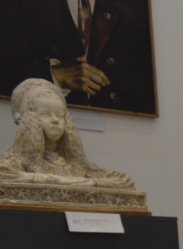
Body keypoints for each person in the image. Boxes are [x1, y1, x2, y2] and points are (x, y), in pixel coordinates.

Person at [0, 0, 157, 116]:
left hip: (119, 132)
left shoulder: (135, 6)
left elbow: (146, 89)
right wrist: (55, 75)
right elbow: (7, 74)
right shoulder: (18, 4)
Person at [0, 77, 136, 189]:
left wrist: (92, 183)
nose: (55, 120)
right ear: (30, 119)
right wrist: (57, 181)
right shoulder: (11, 162)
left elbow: (124, 181)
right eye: (46, 114)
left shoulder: (76, 165)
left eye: (60, 115)